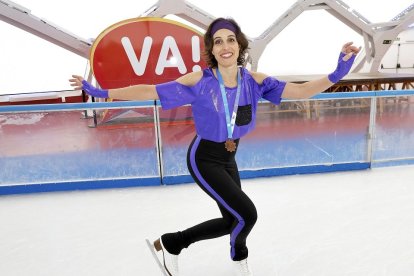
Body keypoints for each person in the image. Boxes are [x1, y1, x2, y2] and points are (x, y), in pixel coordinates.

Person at [70, 17, 360, 276]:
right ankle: (209, 250)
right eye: (218, 41)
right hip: (204, 157)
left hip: (230, 156)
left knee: (231, 219)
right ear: (211, 49)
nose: (225, 46)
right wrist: (100, 91)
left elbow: (300, 91)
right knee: (247, 214)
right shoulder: (200, 80)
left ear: (240, 45)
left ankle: (179, 244)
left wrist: (336, 74)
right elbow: (151, 90)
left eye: (230, 39)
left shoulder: (255, 81)